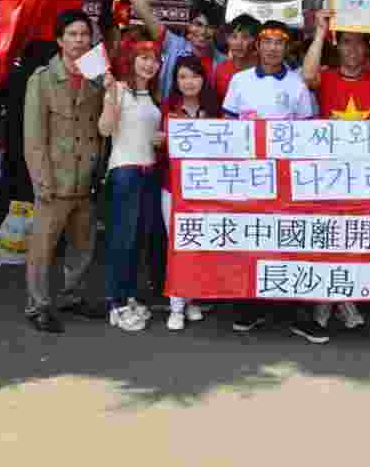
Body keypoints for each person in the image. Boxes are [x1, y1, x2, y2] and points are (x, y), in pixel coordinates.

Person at [302, 8, 370, 330]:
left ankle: (344, 302)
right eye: (346, 42)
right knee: (328, 240)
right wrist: (321, 32)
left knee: (354, 240)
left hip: (364, 174)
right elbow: (307, 76)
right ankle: (327, 302)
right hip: (328, 173)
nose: (352, 49)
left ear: (366, 48)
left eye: (358, 43)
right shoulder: (327, 76)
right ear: (338, 47)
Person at [222, 20, 326, 343]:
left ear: (287, 47)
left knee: (289, 243)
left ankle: (295, 313)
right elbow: (227, 127)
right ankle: (250, 306)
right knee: (252, 240)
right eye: (266, 41)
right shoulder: (239, 81)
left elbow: (307, 133)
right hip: (249, 177)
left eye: (279, 42)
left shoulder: (298, 84)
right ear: (258, 45)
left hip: (286, 180)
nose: (272, 48)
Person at [23, 10, 106, 333]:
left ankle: (72, 295)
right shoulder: (42, 79)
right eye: (72, 34)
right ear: (59, 40)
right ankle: (38, 305)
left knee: (83, 245)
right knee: (43, 247)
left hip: (87, 176)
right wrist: (41, 180)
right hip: (55, 177)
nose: (79, 40)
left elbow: (103, 126)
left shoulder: (96, 75)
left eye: (84, 34)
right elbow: (34, 136)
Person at [99, 40, 166, 332]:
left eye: (154, 59)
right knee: (122, 240)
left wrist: (160, 140)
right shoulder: (118, 89)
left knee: (137, 240)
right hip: (125, 171)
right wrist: (111, 97)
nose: (149, 64)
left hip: (148, 173)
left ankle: (128, 297)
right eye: (143, 58)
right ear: (131, 59)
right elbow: (104, 129)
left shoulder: (152, 96)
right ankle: (116, 304)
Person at [110, 0, 226, 97]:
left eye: (210, 27)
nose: (203, 31)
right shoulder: (174, 46)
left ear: (218, 30)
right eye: (198, 24)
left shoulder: (223, 63)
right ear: (188, 25)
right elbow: (146, 14)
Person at [159, 55, 220, 330]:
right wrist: (159, 142)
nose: (189, 82)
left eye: (194, 76)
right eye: (182, 77)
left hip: (204, 190)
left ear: (203, 79)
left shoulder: (214, 110)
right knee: (177, 245)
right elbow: (158, 149)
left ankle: (191, 299)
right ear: (175, 81)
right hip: (173, 188)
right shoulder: (168, 108)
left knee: (196, 244)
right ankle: (176, 308)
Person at [0, 40, 59, 203]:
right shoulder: (49, 81)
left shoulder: (14, 76)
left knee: (13, 187)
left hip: (14, 139)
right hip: (39, 145)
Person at [214, 15, 259, 104]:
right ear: (227, 39)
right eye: (234, 37)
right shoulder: (221, 70)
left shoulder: (264, 68)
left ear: (255, 41)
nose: (239, 43)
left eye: (245, 37)